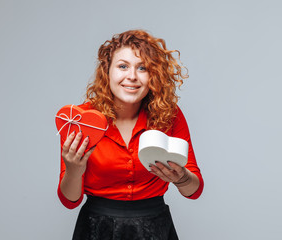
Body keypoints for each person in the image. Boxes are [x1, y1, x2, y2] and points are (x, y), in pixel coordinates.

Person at [56, 29, 204, 240]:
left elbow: (194, 190)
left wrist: (181, 179)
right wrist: (73, 171)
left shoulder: (170, 115)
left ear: (153, 75)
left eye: (142, 67)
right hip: (96, 228)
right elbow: (69, 201)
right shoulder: (80, 119)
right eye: (123, 66)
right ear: (107, 71)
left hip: (155, 227)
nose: (132, 76)